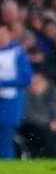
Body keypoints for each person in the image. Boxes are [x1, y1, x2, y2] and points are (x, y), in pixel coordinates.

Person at [19, 71, 56, 158]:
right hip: (33, 127)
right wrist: (48, 125)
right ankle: (55, 158)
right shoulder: (25, 95)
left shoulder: (53, 92)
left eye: (38, 82)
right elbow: (29, 116)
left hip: (53, 125)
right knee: (47, 136)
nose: (35, 85)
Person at [0, 23, 32, 159]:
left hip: (10, 101)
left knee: (5, 139)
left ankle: (7, 168)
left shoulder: (17, 53)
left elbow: (26, 79)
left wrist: (3, 83)